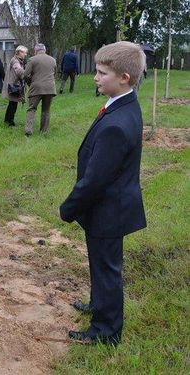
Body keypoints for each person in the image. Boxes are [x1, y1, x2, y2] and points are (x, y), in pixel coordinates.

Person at [59, 41, 147, 346]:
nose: (95, 78)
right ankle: (99, 305)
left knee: (107, 269)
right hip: (110, 208)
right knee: (101, 263)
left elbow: (94, 181)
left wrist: (68, 208)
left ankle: (106, 331)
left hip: (108, 210)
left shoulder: (117, 124)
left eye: (101, 72)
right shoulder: (125, 104)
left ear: (124, 77)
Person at [23, 43, 57, 136]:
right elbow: (54, 73)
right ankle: (44, 132)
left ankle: (28, 130)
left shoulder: (32, 59)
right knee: (46, 110)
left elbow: (25, 75)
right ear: (44, 50)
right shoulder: (53, 60)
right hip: (50, 88)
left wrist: (30, 83)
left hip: (36, 88)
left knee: (32, 109)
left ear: (35, 51)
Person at [1, 45, 28, 126]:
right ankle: (10, 123)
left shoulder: (17, 60)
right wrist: (26, 75)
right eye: (24, 52)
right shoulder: (16, 61)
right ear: (19, 52)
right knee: (13, 104)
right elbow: (19, 71)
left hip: (13, 85)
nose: (25, 54)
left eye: (26, 53)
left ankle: (7, 121)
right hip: (14, 86)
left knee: (12, 104)